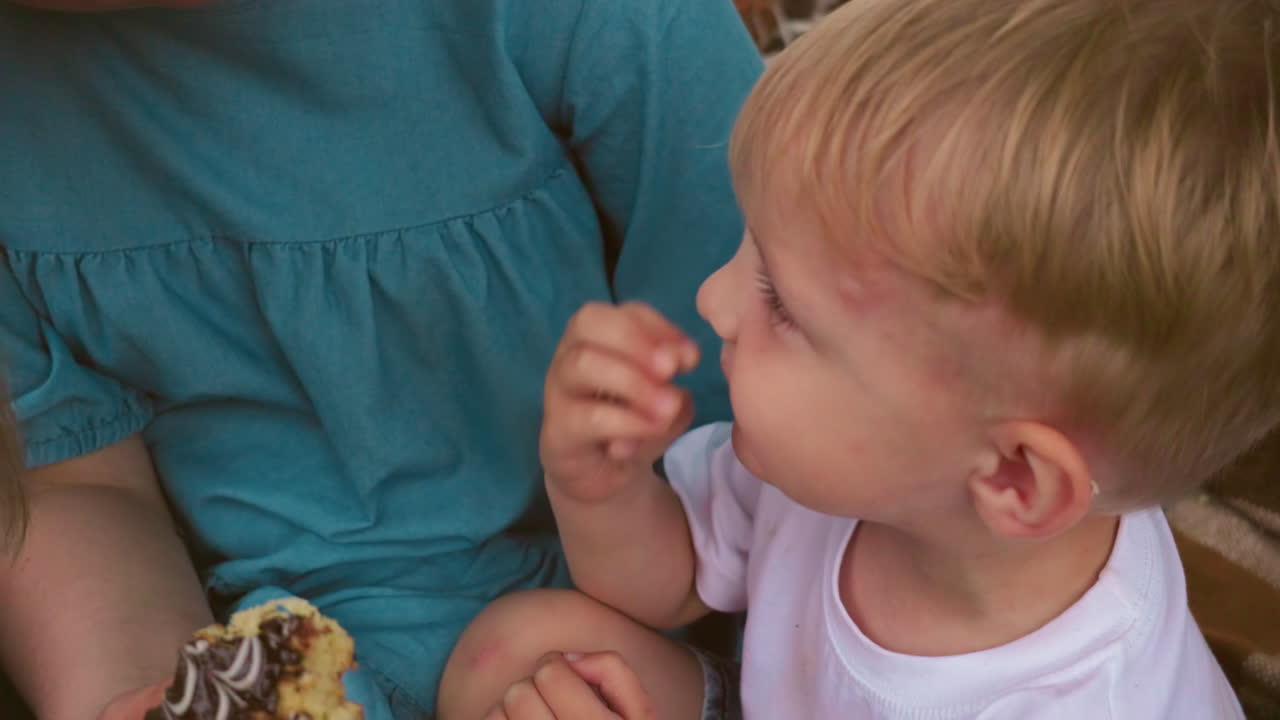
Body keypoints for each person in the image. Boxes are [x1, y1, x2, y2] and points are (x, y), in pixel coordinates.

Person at [437, 0, 1276, 717]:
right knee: (511, 652)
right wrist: (600, 488)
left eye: (782, 305)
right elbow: (674, 581)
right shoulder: (861, 466)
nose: (711, 302)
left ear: (1014, 478)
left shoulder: (1085, 700)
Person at [0, 1, 761, 718]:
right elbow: (76, 484)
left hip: (650, 608)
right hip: (247, 634)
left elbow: (769, 377)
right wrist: (140, 688)